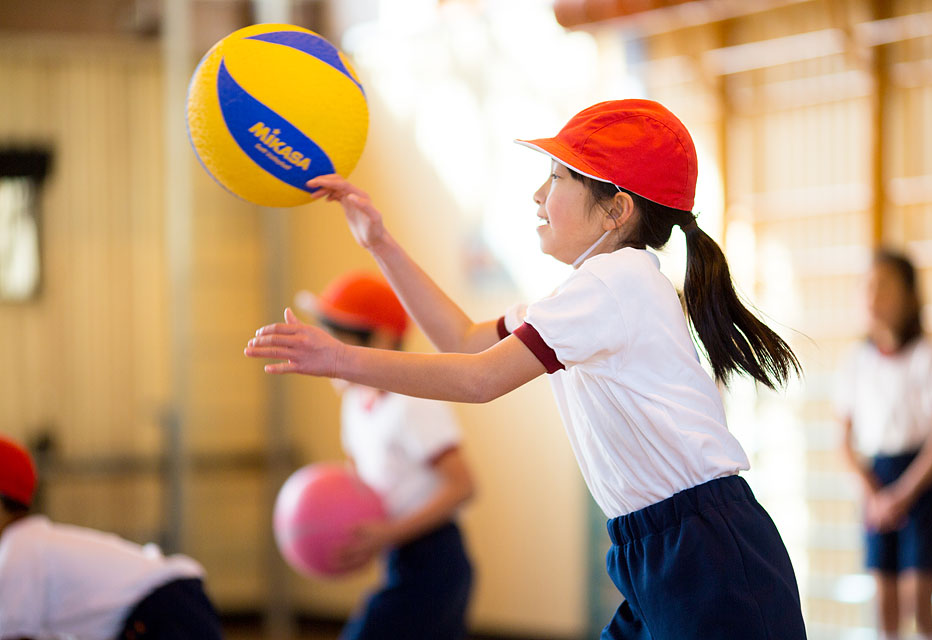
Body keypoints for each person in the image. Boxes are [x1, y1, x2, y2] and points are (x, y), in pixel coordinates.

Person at [245, 99, 807, 639]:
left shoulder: (614, 283)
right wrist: (379, 242)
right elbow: (464, 341)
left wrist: (338, 357)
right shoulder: (597, 289)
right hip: (658, 546)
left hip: (704, 552)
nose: (538, 194)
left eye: (558, 178)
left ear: (617, 210)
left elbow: (479, 379)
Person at [295, 270, 474, 640]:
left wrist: (388, 533)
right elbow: (360, 485)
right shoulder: (354, 402)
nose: (323, 350)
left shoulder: (412, 402)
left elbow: (463, 486)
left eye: (335, 340)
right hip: (397, 556)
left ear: (381, 339)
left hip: (436, 560)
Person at [835, 249, 932, 640]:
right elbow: (843, 443)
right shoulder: (856, 362)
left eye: (884, 286)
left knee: (918, 603)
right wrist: (872, 495)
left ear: (909, 296)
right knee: (883, 605)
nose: (872, 296)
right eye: (867, 287)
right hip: (877, 480)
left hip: (923, 483)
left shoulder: (928, 356)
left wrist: (904, 493)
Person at [0, 435, 222, 640]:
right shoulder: (35, 542)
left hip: (160, 613)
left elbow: (14, 634)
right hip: (169, 606)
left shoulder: (19, 547)